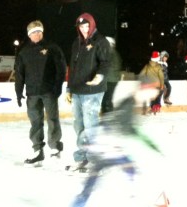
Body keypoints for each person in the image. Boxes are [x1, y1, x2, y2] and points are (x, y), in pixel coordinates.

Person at [70, 77, 164, 207]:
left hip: (107, 145)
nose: (154, 95)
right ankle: (132, 197)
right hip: (106, 146)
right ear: (145, 89)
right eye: (153, 91)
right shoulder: (129, 103)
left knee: (101, 176)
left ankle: (80, 202)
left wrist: (150, 144)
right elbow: (116, 123)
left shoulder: (131, 102)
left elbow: (128, 127)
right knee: (127, 169)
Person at [14, 20, 67, 164]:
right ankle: (38, 150)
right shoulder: (24, 52)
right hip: (32, 94)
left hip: (49, 91)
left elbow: (61, 68)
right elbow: (19, 74)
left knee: (52, 119)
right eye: (33, 32)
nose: (37, 34)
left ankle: (55, 147)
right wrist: (18, 92)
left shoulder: (52, 48)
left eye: (39, 31)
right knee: (35, 122)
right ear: (29, 35)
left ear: (42, 32)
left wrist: (57, 87)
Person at [66, 13, 111, 173]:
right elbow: (72, 67)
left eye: (87, 26)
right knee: (79, 124)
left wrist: (99, 77)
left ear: (92, 25)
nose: (85, 30)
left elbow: (106, 63)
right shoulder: (76, 43)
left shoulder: (101, 41)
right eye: (81, 27)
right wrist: (69, 88)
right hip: (77, 90)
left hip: (93, 90)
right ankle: (83, 157)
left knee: (90, 124)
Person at [101, 36, 122, 114]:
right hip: (113, 79)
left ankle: (107, 112)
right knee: (108, 97)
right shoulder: (115, 53)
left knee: (106, 98)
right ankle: (108, 112)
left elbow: (107, 66)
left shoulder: (109, 53)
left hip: (109, 79)